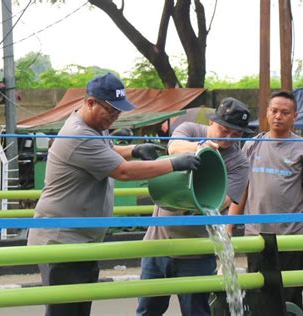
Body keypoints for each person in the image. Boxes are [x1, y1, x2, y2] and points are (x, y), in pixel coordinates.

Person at [27, 73, 200, 316]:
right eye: (111, 111)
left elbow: (107, 151)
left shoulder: (95, 126)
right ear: (90, 102)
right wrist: (174, 163)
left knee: (78, 310)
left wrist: (134, 149)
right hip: (62, 240)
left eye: (118, 112)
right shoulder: (78, 134)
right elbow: (123, 171)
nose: (115, 117)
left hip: (82, 238)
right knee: (64, 312)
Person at [136, 97, 252, 316]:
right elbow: (173, 146)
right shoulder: (190, 128)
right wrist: (199, 147)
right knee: (147, 311)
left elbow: (221, 201)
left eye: (236, 134)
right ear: (212, 122)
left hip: (196, 254)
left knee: (196, 312)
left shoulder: (239, 163)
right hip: (157, 246)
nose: (228, 138)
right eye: (224, 130)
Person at [228, 90, 303, 312]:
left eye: (285, 112)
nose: (278, 116)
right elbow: (242, 188)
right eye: (274, 111)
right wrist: (229, 226)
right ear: (266, 114)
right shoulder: (251, 145)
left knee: (290, 295)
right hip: (256, 235)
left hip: (291, 236)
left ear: (294, 116)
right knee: (258, 293)